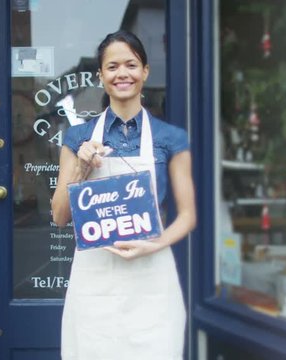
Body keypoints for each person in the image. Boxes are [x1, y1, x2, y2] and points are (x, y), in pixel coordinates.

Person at [51, 30, 196, 360]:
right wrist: (80, 170)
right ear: (101, 75)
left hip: (152, 277)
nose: (122, 74)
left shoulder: (171, 138)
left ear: (145, 71)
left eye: (131, 64)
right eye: (112, 66)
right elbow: (60, 216)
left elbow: (187, 215)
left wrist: (155, 243)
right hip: (95, 281)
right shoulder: (77, 137)